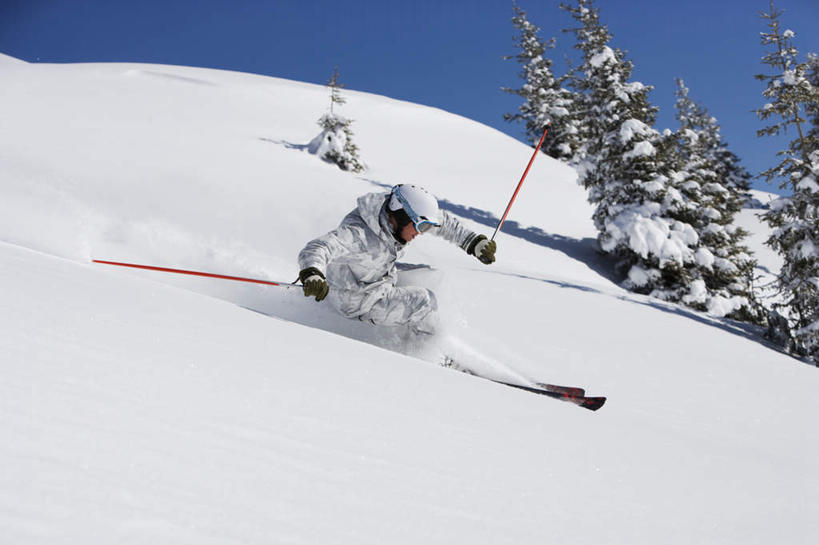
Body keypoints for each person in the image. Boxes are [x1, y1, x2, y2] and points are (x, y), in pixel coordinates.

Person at [297, 184, 497, 335]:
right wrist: (312, 273)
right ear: (401, 217)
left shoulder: (391, 215)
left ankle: (414, 328)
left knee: (427, 274)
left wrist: (472, 242)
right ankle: (425, 353)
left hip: (376, 276)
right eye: (421, 227)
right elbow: (319, 247)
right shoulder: (359, 235)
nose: (422, 233)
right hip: (356, 300)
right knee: (424, 302)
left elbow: (443, 223)